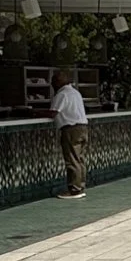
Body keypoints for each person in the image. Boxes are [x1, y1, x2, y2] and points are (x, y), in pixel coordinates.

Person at [46, 71, 88, 199]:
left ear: (58, 82)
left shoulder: (62, 94)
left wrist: (35, 113)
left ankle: (74, 190)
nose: (52, 84)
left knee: (72, 159)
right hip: (83, 127)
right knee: (79, 159)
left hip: (71, 129)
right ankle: (80, 186)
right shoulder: (75, 92)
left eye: (53, 82)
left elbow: (53, 113)